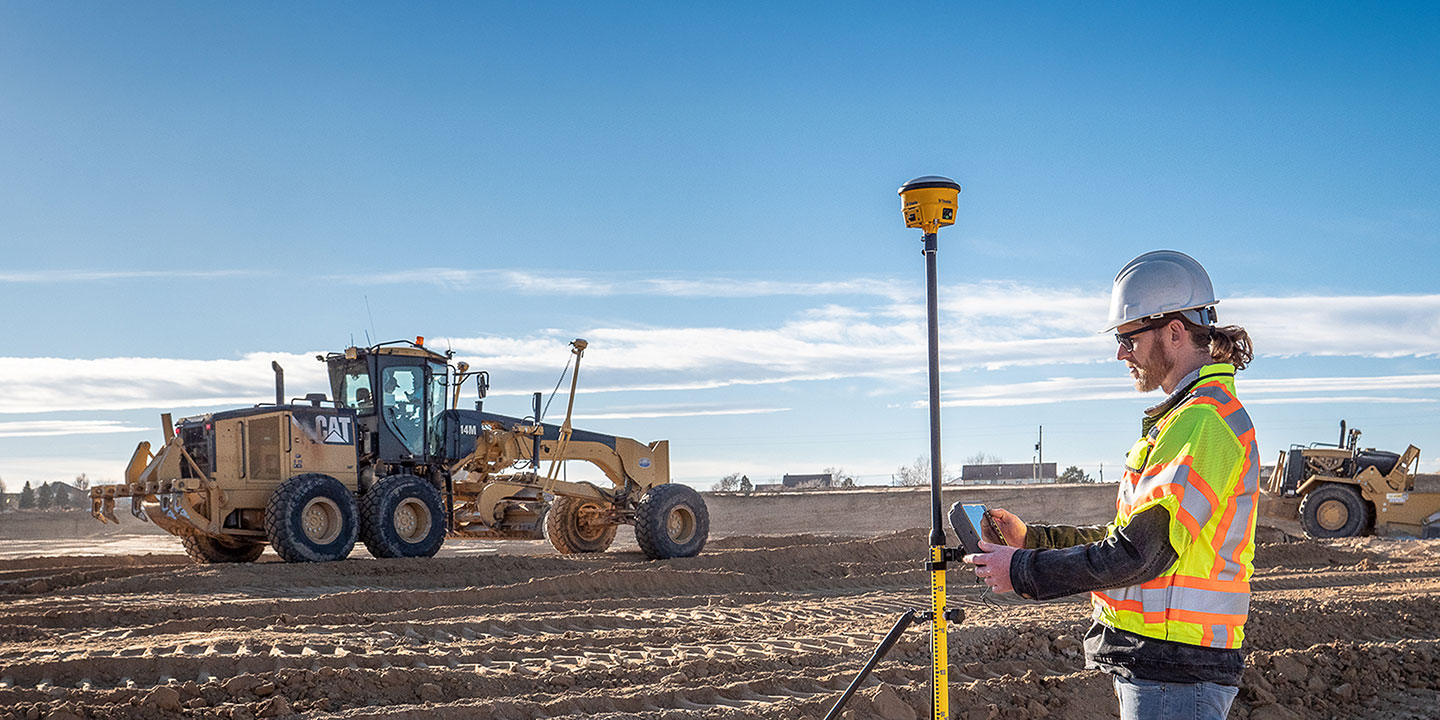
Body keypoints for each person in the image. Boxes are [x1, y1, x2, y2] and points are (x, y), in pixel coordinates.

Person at [966, 250, 1258, 720]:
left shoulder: (1201, 423)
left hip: (1173, 668)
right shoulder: (1188, 420)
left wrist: (1022, 570)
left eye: (1128, 338)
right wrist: (1033, 542)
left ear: (1175, 332)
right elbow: (1131, 539)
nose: (1121, 353)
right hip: (1163, 664)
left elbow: (1139, 555)